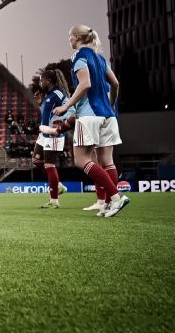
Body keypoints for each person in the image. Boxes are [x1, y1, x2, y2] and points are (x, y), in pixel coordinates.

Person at [54, 24, 128, 218]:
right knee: (107, 161)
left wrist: (65, 106)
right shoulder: (101, 58)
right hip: (108, 116)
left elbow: (85, 84)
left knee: (81, 160)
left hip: (89, 115)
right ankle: (108, 204)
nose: (69, 40)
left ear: (77, 37)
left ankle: (116, 197)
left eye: (70, 36)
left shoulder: (79, 57)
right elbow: (115, 84)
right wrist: (111, 105)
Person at [34, 67, 73, 209]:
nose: (40, 83)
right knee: (37, 161)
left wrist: (61, 123)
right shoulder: (48, 95)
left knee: (49, 165)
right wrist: (40, 104)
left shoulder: (58, 94)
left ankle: (54, 201)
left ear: (48, 80)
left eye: (41, 80)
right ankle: (59, 186)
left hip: (53, 134)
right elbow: (48, 114)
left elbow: (71, 110)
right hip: (44, 133)